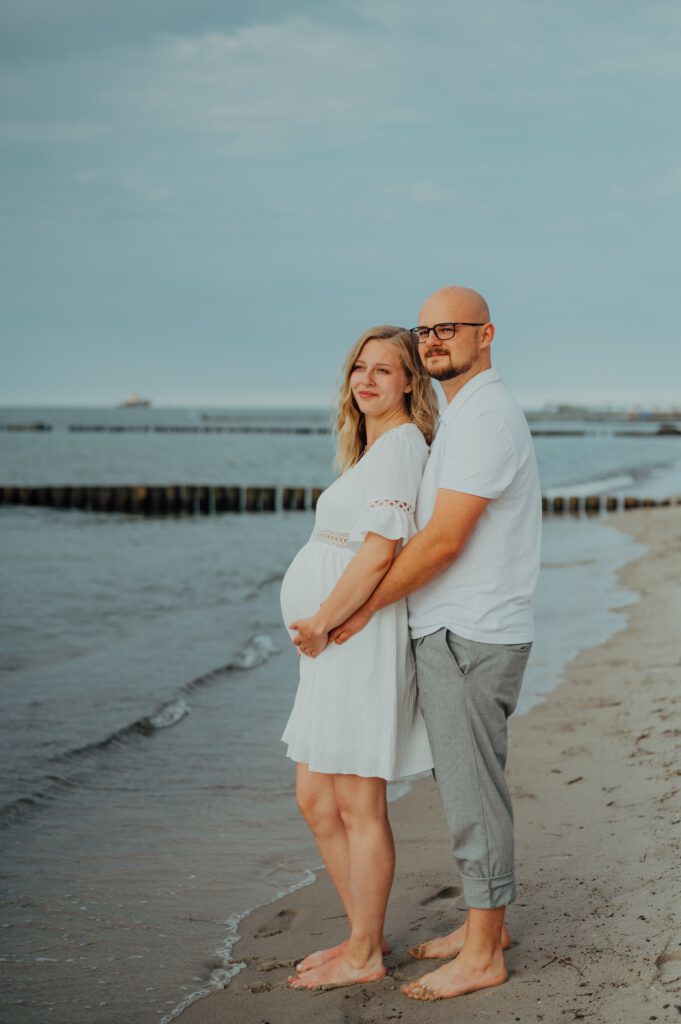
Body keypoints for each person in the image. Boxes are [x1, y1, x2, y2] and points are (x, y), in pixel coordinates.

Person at [313, 285, 542, 1001]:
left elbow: (442, 541)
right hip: (456, 629)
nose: (435, 338)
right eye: (427, 329)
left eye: (451, 328)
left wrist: (355, 613)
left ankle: (481, 955)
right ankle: (489, 928)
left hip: (469, 632)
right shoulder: (464, 414)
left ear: (486, 334)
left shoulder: (485, 420)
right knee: (464, 783)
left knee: (474, 796)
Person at [280, 324, 439, 990]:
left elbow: (378, 552)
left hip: (351, 635)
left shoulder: (401, 446)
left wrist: (322, 619)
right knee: (316, 796)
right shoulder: (372, 448)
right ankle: (358, 939)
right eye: (359, 368)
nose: (367, 379)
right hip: (332, 643)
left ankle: (364, 953)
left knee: (355, 800)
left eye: (384, 369)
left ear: (409, 382)